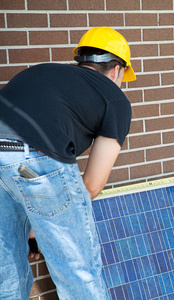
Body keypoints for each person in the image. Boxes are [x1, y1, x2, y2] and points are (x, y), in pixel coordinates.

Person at [0, 26, 136, 299]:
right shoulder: (114, 98)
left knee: (6, 267)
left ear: (82, 60)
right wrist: (48, 221)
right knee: (78, 272)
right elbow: (92, 185)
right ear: (117, 70)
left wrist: (38, 223)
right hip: (39, 161)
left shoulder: (40, 71)